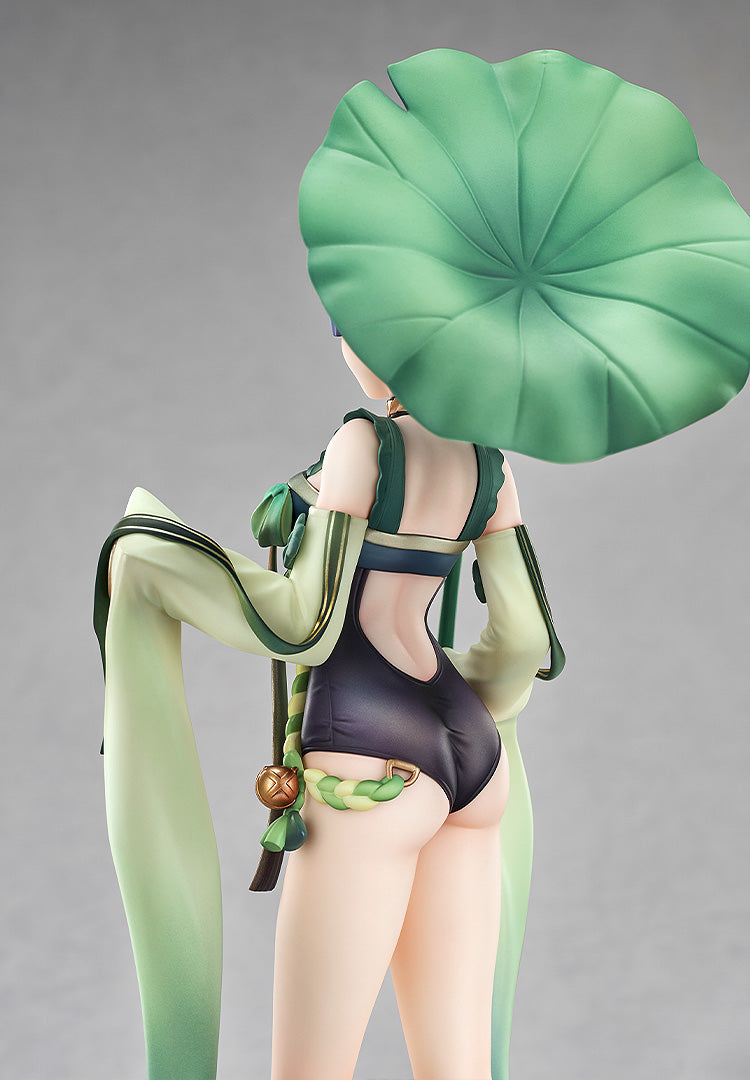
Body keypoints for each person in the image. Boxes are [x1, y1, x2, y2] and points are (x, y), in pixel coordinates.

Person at [96, 46, 750, 1080]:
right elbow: (523, 641)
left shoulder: (364, 445)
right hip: (469, 756)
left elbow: (303, 620)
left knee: (310, 1069)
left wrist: (166, 564)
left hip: (366, 751)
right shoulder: (491, 468)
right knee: (459, 1068)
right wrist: (463, 704)